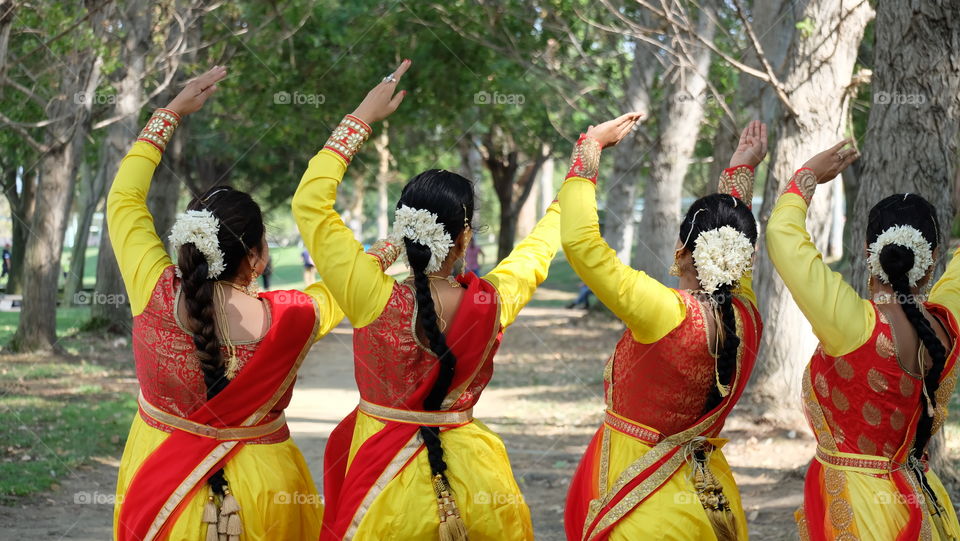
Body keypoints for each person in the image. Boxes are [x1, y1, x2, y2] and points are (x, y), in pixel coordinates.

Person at [108, 66, 396, 541]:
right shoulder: (295, 316)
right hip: (268, 491)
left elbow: (124, 198)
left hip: (160, 485)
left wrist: (171, 113)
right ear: (260, 255)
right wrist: (389, 249)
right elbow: (347, 281)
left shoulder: (154, 291)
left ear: (189, 243)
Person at [292, 59, 559, 541]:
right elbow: (538, 249)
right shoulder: (491, 301)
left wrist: (361, 119)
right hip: (477, 484)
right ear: (463, 238)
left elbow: (310, 204)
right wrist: (580, 172)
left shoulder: (369, 293)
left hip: (382, 487)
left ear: (402, 229)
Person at [563, 118, 767, 540]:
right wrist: (740, 173)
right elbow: (734, 263)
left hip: (639, 500)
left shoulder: (664, 312)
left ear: (682, 248)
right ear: (744, 259)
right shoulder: (747, 317)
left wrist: (589, 152)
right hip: (709, 502)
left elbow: (583, 246)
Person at [766, 140, 960, 540]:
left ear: (871, 254)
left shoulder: (853, 324)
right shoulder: (946, 324)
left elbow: (782, 236)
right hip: (920, 501)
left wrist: (807, 177)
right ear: (934, 256)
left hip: (858, 509)